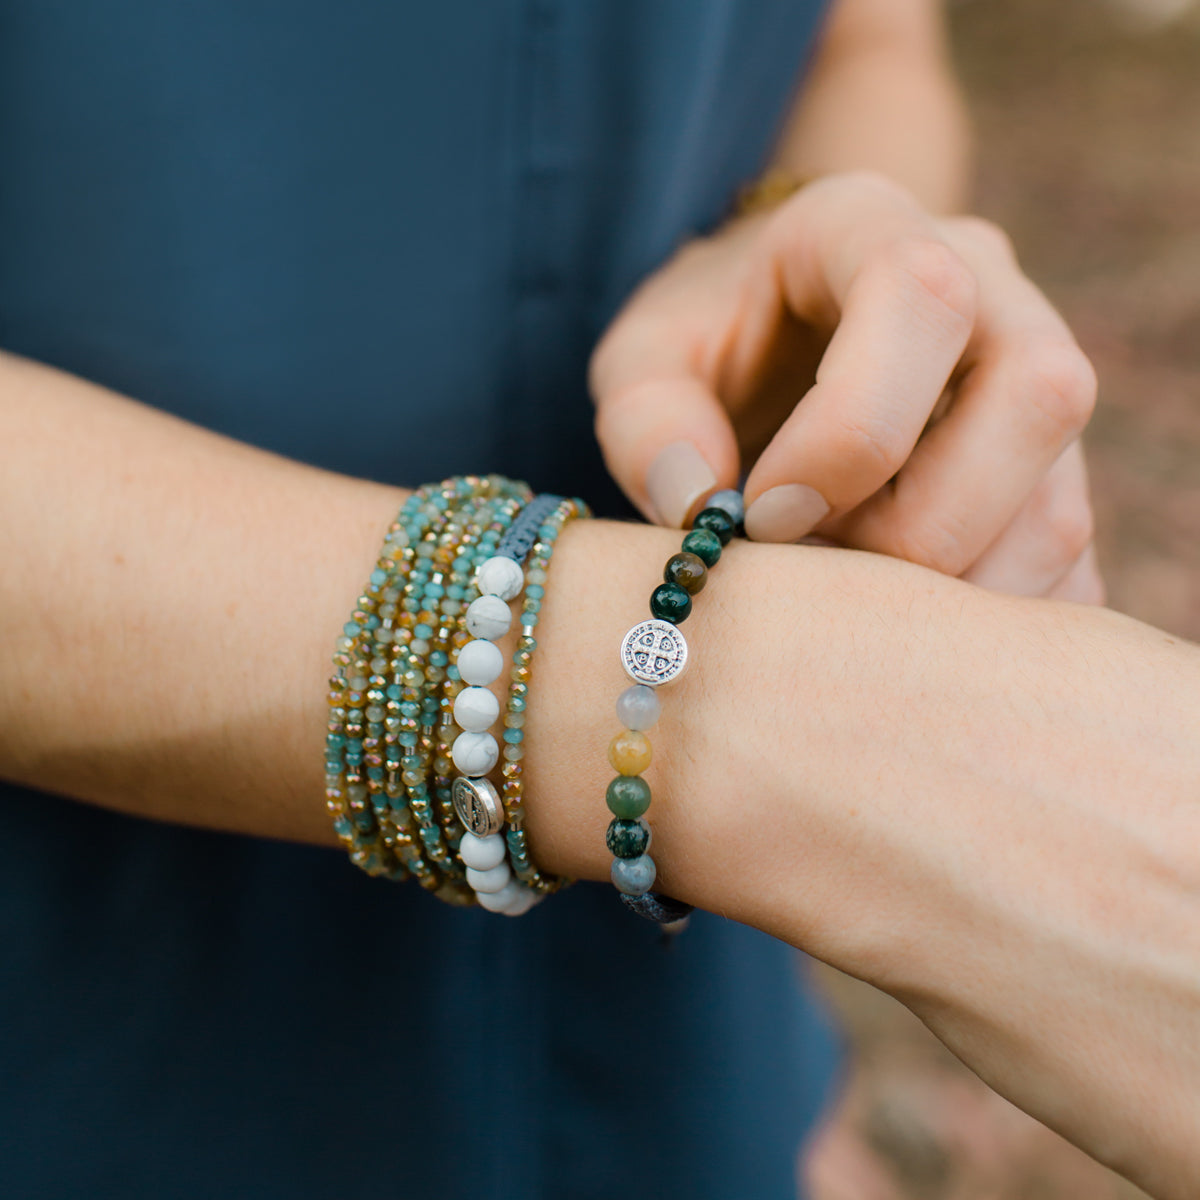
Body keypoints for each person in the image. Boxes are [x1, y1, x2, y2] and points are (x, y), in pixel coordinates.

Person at [1, 2, 1196, 1198]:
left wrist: (807, 223)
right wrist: (757, 726)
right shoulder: (763, 762)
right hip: (104, 1010)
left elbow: (869, 41)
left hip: (674, 1035)